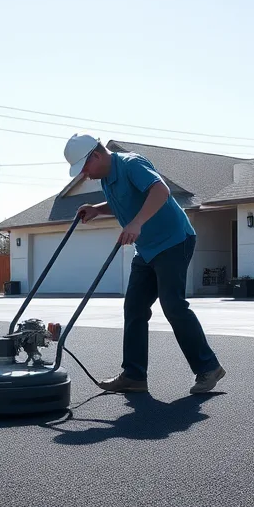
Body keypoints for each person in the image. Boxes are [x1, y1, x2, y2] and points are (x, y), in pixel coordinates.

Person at [63, 132, 226, 395]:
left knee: (172, 304)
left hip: (174, 240)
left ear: (95, 155)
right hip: (148, 249)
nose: (84, 174)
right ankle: (134, 376)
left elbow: (160, 190)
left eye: (84, 167)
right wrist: (98, 209)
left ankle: (209, 368)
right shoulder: (106, 179)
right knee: (134, 307)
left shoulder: (131, 164)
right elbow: (125, 202)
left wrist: (137, 223)